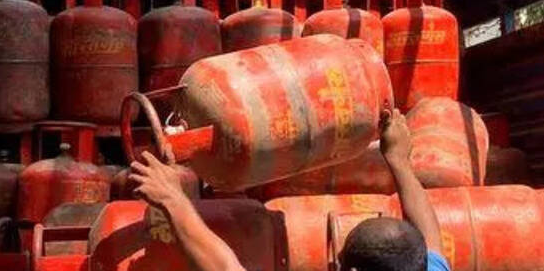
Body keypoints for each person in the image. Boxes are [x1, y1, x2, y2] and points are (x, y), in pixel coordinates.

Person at [128, 106, 448, 271]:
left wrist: (173, 199)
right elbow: (431, 237)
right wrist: (399, 161)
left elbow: (226, 268)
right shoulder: (420, 266)